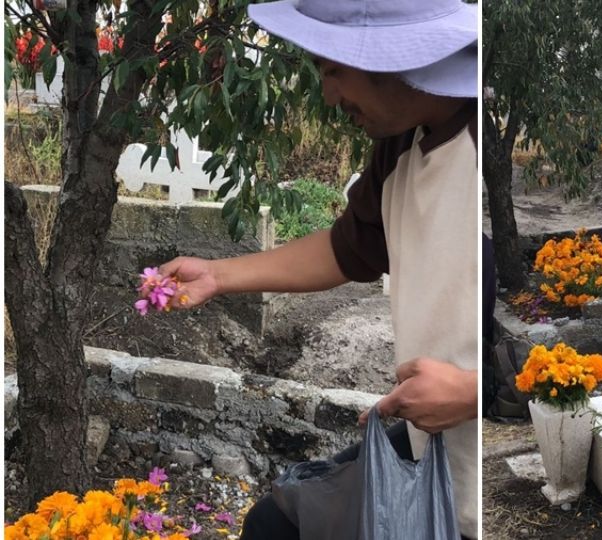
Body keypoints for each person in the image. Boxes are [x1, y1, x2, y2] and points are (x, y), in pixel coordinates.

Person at [153, 1, 480, 538]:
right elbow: (347, 249)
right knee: (273, 525)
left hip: (470, 481)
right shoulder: (403, 144)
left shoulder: (476, 154)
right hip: (430, 445)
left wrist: (470, 391)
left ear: (397, 60)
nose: (328, 96)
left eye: (334, 70)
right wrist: (217, 275)